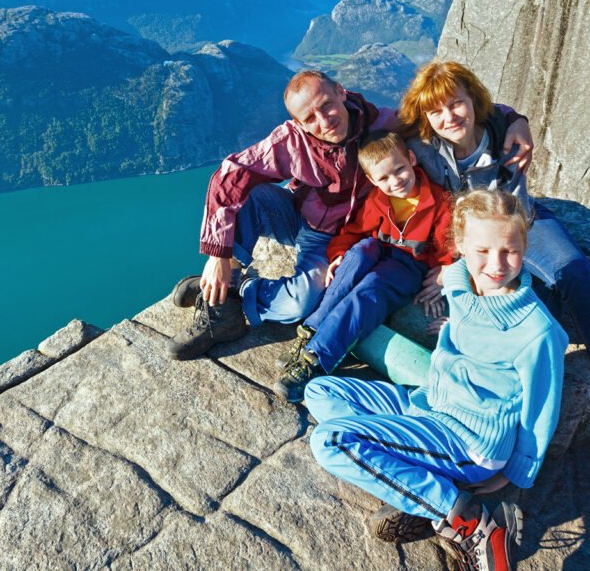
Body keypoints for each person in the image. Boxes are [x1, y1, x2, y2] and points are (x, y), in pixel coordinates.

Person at [402, 61, 590, 482]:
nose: (449, 117)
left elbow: (501, 109)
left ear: (473, 101)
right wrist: (449, 264)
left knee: (572, 278)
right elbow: (372, 133)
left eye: (457, 104)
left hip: (525, 222)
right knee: (530, 310)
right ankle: (576, 266)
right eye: (436, 111)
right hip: (477, 243)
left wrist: (518, 120)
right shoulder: (420, 146)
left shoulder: (498, 129)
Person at [166, 70, 534, 360]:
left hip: (334, 237)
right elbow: (230, 174)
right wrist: (219, 256)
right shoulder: (290, 141)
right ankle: (217, 306)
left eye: (326, 105)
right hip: (294, 216)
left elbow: (440, 111)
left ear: (341, 91)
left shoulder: (377, 123)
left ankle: (238, 290)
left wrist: (515, 119)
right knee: (249, 194)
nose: (324, 121)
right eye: (309, 118)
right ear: (297, 123)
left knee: (300, 304)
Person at [307, 190, 568, 571]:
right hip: (430, 403)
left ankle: (470, 520)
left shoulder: (537, 331)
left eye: (509, 251)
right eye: (482, 250)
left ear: (524, 245)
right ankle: (418, 477)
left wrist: (511, 474)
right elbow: (462, 302)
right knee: (320, 390)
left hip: (470, 439)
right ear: (460, 245)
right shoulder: (461, 279)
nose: (496, 264)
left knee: (330, 440)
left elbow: (542, 406)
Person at [272, 130, 455, 402]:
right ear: (372, 180)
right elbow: (353, 232)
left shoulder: (439, 203)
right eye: (384, 178)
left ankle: (318, 358)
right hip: (378, 251)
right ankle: (310, 331)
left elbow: (448, 247)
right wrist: (338, 256)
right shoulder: (377, 200)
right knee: (360, 252)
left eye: (400, 170)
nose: (395, 181)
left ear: (412, 159)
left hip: (408, 267)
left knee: (371, 287)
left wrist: (443, 273)